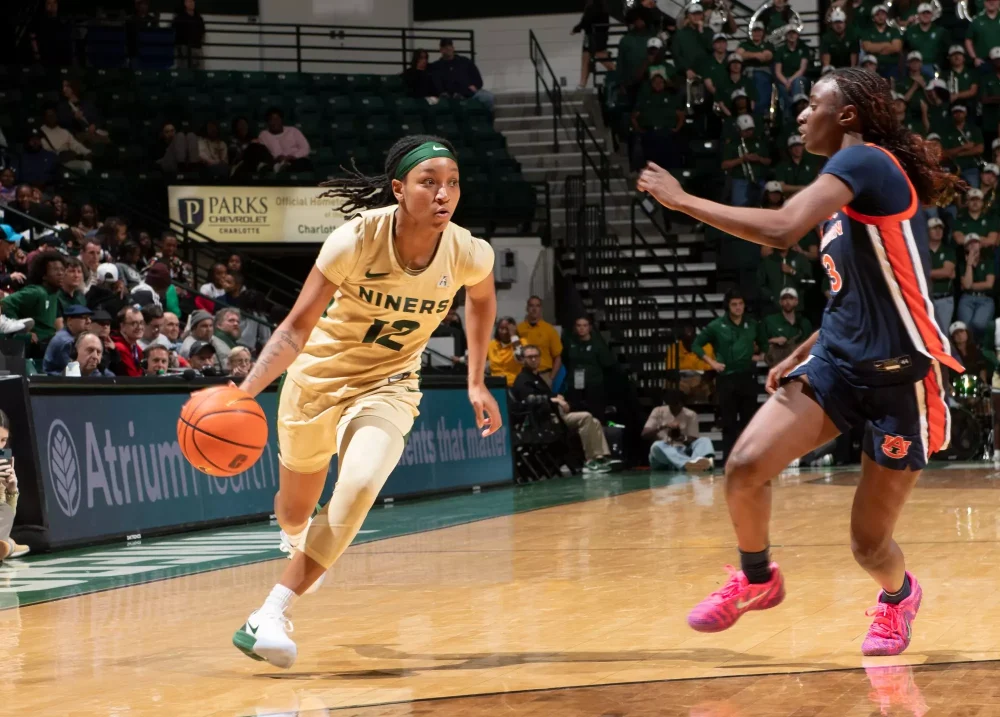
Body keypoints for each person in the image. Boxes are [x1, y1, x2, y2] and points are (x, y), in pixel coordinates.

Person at [638, 67, 965, 656]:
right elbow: (859, 294)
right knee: (743, 467)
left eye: (811, 102)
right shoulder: (841, 195)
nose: (798, 111)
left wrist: (682, 201)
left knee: (869, 546)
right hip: (837, 365)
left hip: (901, 380)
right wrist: (804, 348)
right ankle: (758, 579)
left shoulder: (866, 161)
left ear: (847, 116)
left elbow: (784, 230)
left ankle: (900, 597)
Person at [226, 135, 499, 669]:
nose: (443, 194)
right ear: (399, 189)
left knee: (359, 486)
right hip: (317, 383)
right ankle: (298, 539)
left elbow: (482, 303)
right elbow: (296, 327)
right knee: (295, 509)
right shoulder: (354, 239)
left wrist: (476, 380)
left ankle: (269, 613)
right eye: (429, 183)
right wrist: (243, 394)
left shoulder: (469, 251)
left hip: (390, 384)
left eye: (453, 183)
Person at [512, 344, 614, 475]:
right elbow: (529, 399)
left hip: (557, 414)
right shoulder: (523, 379)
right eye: (530, 357)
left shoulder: (537, 377)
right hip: (544, 420)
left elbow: (547, 395)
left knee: (594, 421)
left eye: (536, 356)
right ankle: (590, 461)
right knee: (586, 417)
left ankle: (601, 457)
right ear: (523, 359)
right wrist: (553, 399)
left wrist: (556, 397)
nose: (533, 359)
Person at [690, 289, 764, 462]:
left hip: (747, 377)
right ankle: (728, 461)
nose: (738, 308)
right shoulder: (716, 325)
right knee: (729, 422)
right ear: (728, 306)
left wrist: (760, 355)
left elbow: (763, 344)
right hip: (726, 378)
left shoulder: (752, 324)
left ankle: (750, 460)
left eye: (741, 304)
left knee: (750, 422)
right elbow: (696, 345)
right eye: (734, 304)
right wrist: (712, 363)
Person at [1, 252, 64, 355]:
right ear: (44, 275)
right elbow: (5, 303)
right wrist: (21, 330)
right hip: (33, 346)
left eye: (62, 270)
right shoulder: (37, 292)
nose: (60, 273)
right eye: (56, 270)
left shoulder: (54, 294)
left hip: (46, 344)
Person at [644, 391, 715, 471]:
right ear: (668, 403)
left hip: (682, 450)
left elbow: (693, 440)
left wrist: (680, 437)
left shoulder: (690, 414)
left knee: (704, 440)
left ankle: (694, 463)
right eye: (674, 404)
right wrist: (663, 426)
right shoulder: (658, 411)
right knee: (656, 446)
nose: (678, 406)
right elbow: (644, 434)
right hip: (663, 455)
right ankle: (689, 464)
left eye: (679, 403)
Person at [564, 315, 616, 416]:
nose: (582, 328)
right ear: (575, 327)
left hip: (593, 383)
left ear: (589, 327)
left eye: (585, 325)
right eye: (579, 325)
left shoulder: (598, 344)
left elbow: (607, 363)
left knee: (595, 412)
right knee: (576, 412)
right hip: (575, 383)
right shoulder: (570, 342)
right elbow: (565, 359)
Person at [430, 39, 495, 112]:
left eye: (450, 46)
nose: (448, 49)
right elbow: (438, 85)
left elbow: (478, 80)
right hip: (452, 95)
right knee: (432, 101)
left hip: (470, 93)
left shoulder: (465, 61)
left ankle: (490, 120)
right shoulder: (437, 66)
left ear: (453, 48)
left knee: (489, 97)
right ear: (441, 50)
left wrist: (475, 86)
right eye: (445, 47)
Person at [0, 409, 29, 561]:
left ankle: (6, 545)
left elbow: (5, 518)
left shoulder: (3, 459)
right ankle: (8, 545)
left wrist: (11, 490)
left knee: (39, 537)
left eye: (3, 440)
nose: (0, 447)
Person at [517, 296, 563, 384]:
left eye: (537, 306)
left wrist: (551, 377)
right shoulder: (519, 329)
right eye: (531, 306)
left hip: (544, 375)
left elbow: (557, 357)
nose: (534, 309)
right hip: (523, 375)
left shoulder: (549, 330)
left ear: (541, 309)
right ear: (527, 308)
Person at [957, 233, 995, 338]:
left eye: (975, 242)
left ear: (980, 245)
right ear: (965, 248)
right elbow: (968, 285)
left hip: (985, 298)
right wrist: (969, 264)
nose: (973, 245)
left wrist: (968, 285)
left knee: (979, 324)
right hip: (967, 298)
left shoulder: (988, 261)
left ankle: (980, 346)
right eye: (969, 244)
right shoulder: (962, 264)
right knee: (966, 328)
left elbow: (989, 284)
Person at [763, 287, 814, 366]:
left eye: (791, 298)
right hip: (777, 364)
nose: (787, 301)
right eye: (784, 299)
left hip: (799, 365)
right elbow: (758, 344)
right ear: (780, 302)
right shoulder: (770, 320)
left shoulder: (805, 323)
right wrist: (773, 340)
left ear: (796, 301)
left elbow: (812, 345)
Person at [573, 0, 614, 89]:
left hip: (593, 36)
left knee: (596, 56)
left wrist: (577, 29)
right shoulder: (602, 6)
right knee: (587, 57)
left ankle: (583, 82)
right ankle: (582, 82)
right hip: (600, 35)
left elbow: (586, 21)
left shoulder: (592, 7)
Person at [258, 108, 312, 174]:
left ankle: (284, 169)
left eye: (277, 119)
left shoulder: (293, 131)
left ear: (281, 120)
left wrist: (293, 156)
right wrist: (277, 158)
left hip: (295, 160)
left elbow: (305, 148)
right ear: (268, 122)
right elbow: (263, 152)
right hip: (276, 162)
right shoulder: (263, 135)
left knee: (304, 163)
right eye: (271, 120)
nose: (274, 122)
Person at [42, 304, 92, 375]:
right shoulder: (66, 342)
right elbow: (75, 370)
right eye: (84, 318)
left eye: (90, 318)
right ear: (69, 321)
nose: (89, 321)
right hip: (55, 382)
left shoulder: (71, 337)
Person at [926, 218, 956, 334]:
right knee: (927, 333)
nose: (938, 231)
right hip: (927, 298)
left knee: (942, 333)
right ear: (927, 231)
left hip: (945, 299)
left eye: (940, 228)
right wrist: (941, 273)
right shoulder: (922, 251)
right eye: (934, 228)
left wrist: (927, 273)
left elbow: (947, 272)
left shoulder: (948, 251)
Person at [487, 316, 523, 387]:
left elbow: (520, 358)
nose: (504, 332)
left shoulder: (520, 343)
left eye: (507, 329)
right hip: (495, 384)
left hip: (514, 384)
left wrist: (513, 335)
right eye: (501, 328)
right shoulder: (491, 344)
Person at [111, 306, 145, 377]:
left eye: (141, 323)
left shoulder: (134, 345)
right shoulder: (119, 347)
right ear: (122, 326)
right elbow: (133, 377)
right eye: (134, 323)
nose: (139, 327)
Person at [172, 0, 206, 69]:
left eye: (193, 1)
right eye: (189, 1)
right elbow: (175, 34)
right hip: (184, 48)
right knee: (185, 71)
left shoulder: (198, 18)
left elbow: (203, 32)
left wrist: (200, 44)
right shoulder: (179, 18)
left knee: (200, 70)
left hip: (197, 47)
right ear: (184, 3)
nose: (191, 3)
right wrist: (179, 48)